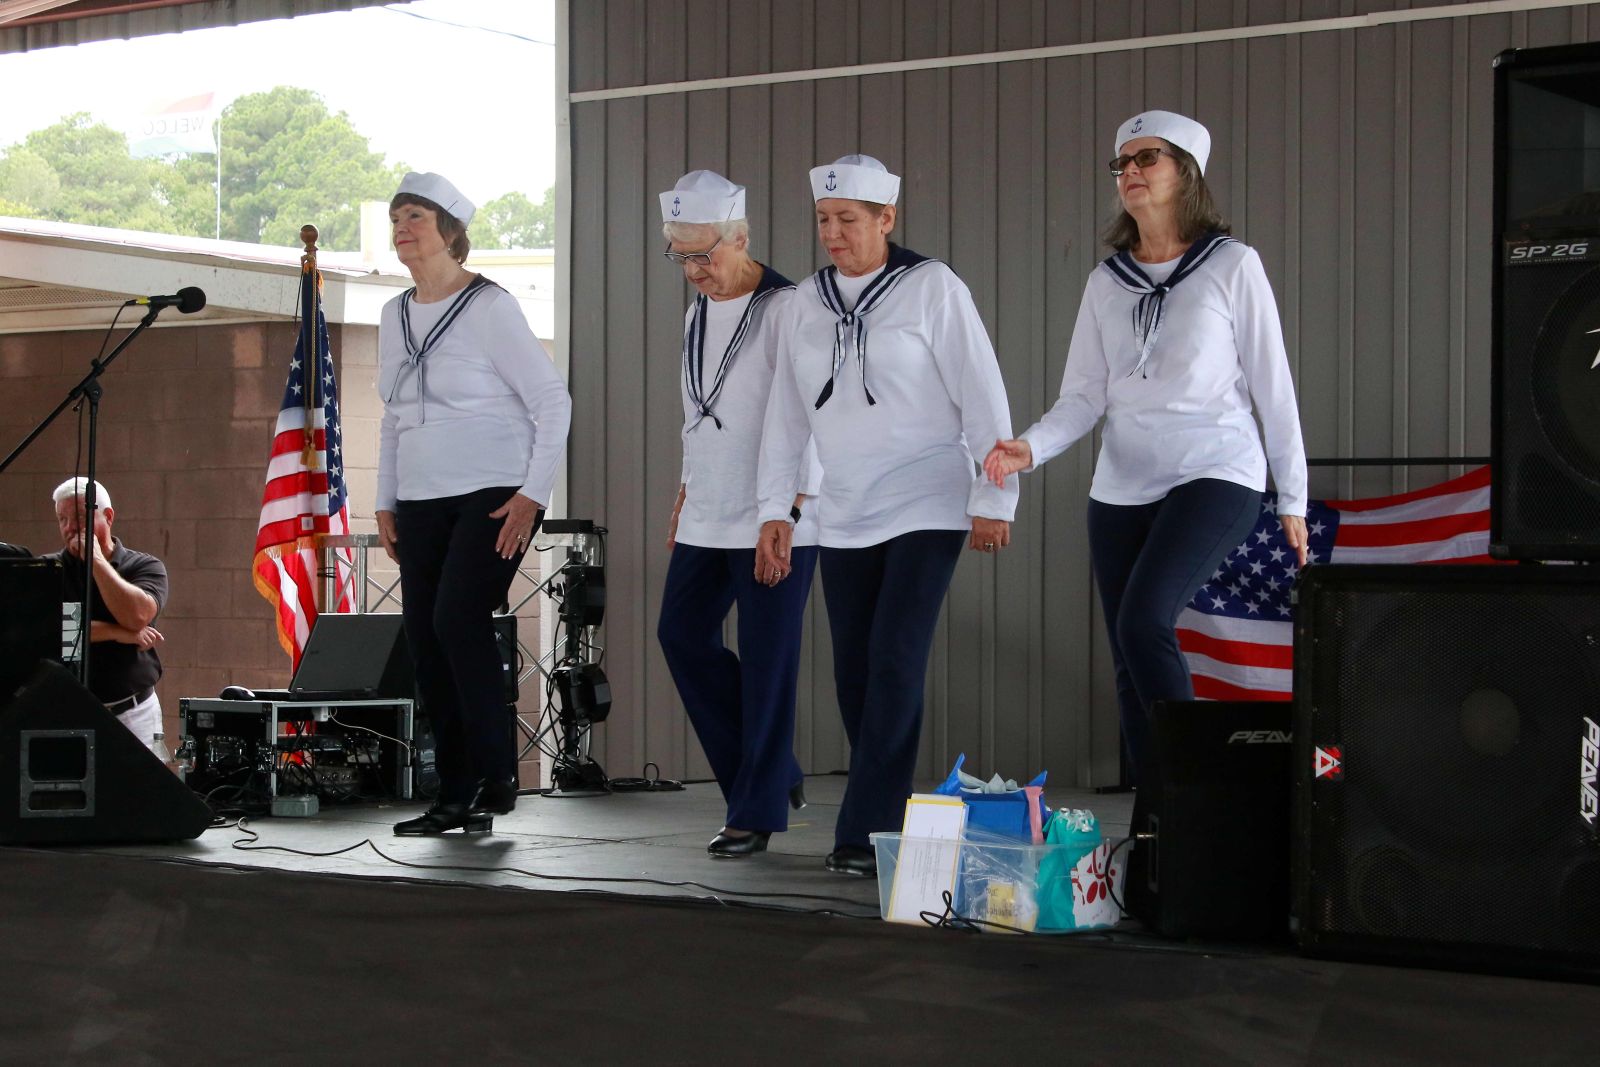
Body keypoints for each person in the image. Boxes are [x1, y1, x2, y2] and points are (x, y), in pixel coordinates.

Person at [983, 111, 1309, 785]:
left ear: (1184, 172)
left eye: (1146, 158)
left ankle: (1193, 793)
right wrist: (1030, 448)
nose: (1129, 171)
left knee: (1144, 620)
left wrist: (1294, 494)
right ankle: (1158, 816)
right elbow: (1084, 396)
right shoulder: (1108, 282)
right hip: (1121, 484)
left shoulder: (1231, 265)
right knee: (1129, 658)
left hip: (1216, 469)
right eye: (1121, 163)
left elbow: (1272, 385)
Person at [756, 154, 1018, 876]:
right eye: (823, 221)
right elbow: (785, 415)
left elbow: (981, 392)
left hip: (929, 497)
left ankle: (863, 828)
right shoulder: (802, 304)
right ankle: (891, 809)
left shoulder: (932, 287)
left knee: (896, 659)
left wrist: (994, 497)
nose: (833, 234)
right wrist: (777, 506)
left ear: (885, 219)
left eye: (848, 220)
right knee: (854, 672)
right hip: (844, 507)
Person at [376, 171, 572, 835]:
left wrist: (532, 493)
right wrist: (385, 500)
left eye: (418, 218)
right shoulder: (392, 313)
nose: (404, 228)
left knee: (459, 617)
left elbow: (552, 401)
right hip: (422, 497)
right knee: (426, 639)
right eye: (397, 217)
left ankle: (497, 774)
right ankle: (454, 791)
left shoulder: (490, 307)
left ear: (451, 232)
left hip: (494, 492)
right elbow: (393, 413)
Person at [654, 171, 821, 859]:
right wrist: (686, 486)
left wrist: (788, 506)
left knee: (767, 657)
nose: (694, 270)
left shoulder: (789, 308)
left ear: (741, 237)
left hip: (774, 509)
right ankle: (771, 772)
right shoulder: (698, 312)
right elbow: (701, 410)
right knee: (682, 634)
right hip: (710, 501)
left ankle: (752, 810)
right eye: (681, 256)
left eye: (705, 255)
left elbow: (813, 411)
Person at [42, 477, 169, 756]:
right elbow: (56, 630)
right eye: (62, 519)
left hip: (133, 713)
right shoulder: (51, 570)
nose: (70, 527)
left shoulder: (143, 566)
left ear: (108, 516)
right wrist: (118, 633)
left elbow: (137, 616)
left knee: (138, 794)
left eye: (78, 516)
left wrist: (97, 561)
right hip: (68, 714)